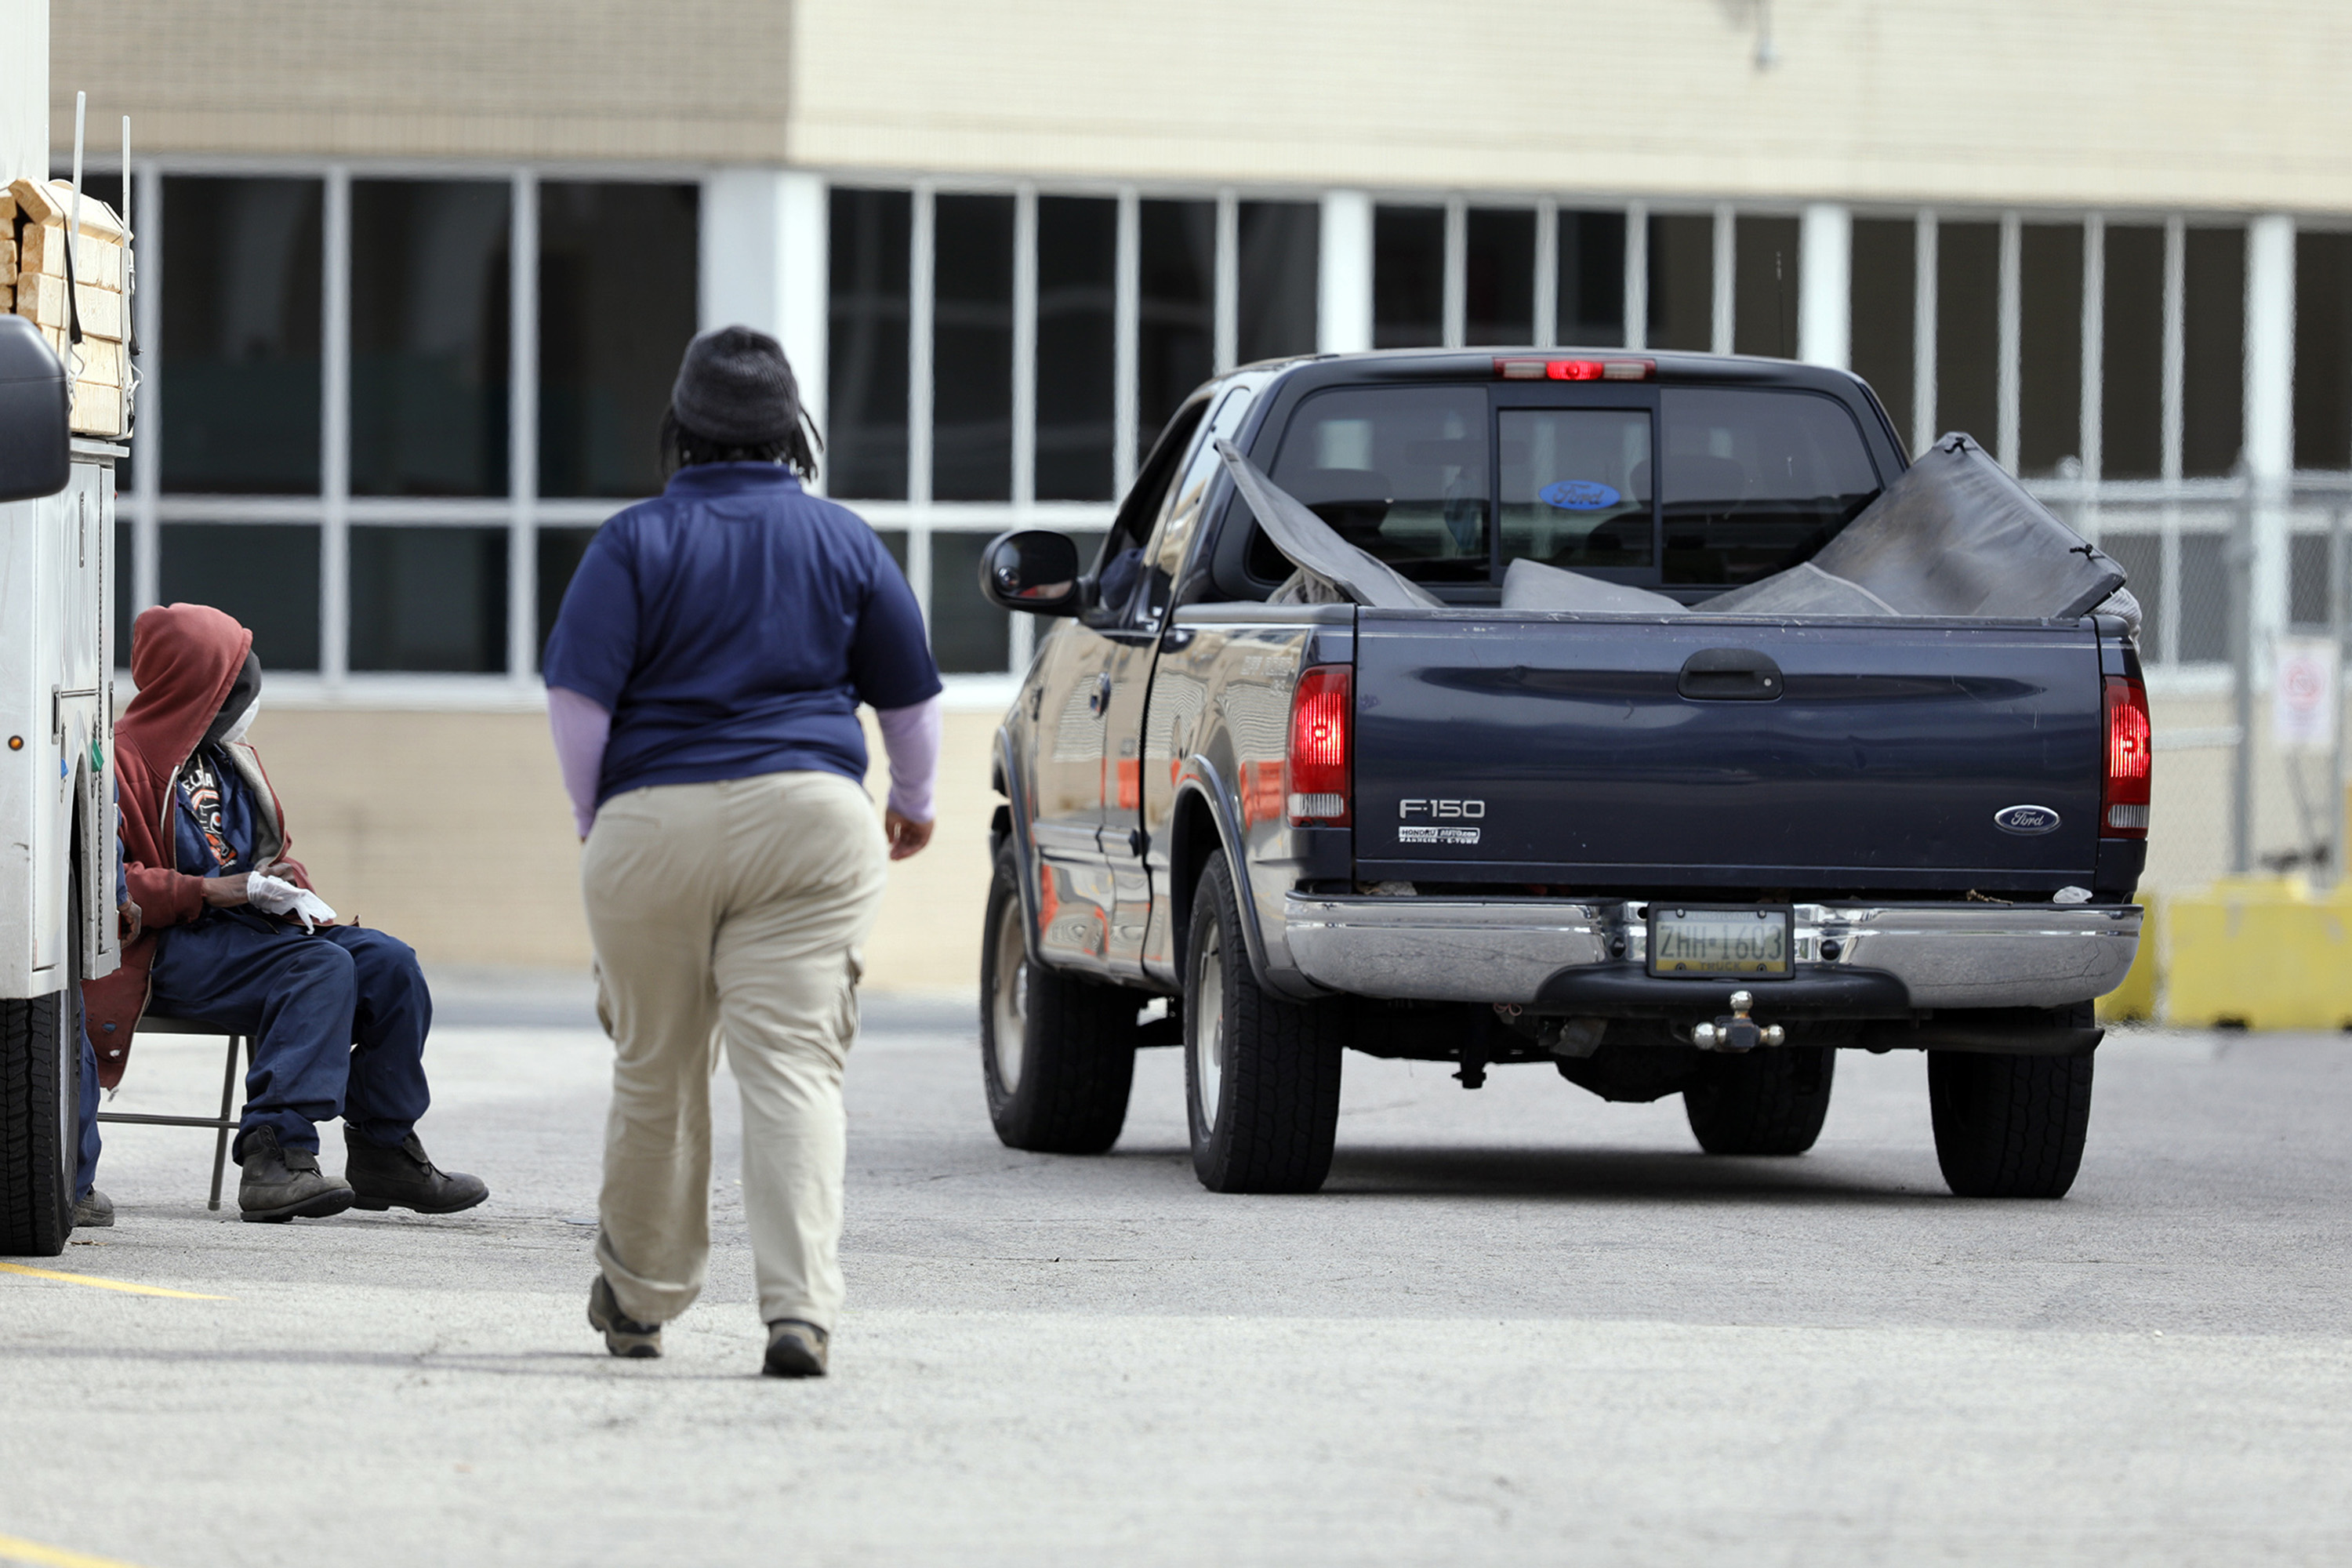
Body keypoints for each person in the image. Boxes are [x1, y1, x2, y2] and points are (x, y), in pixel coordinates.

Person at [543, 325, 942, 1378]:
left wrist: (603, 822)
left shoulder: (631, 542)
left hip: (651, 823)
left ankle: (637, 1302)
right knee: (795, 1070)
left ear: (681, 432)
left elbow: (579, 702)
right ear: (792, 434)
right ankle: (799, 1313)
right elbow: (909, 698)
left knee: (655, 1071)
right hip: (811, 821)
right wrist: (916, 801)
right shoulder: (844, 540)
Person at [82, 605, 488, 1223]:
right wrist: (213, 891)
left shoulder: (227, 759)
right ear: (201, 687)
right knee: (318, 970)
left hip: (249, 935)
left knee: (389, 964)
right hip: (170, 948)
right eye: (239, 685)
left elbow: (271, 856)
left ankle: (383, 1149)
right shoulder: (120, 762)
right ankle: (276, 1155)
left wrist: (285, 887)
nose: (250, 700)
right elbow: (110, 887)